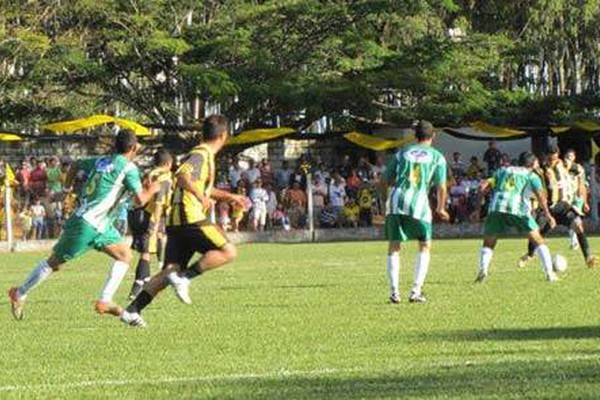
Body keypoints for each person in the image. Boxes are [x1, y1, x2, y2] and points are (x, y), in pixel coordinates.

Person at [8, 130, 160, 321]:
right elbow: (140, 200)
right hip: (87, 224)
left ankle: (105, 300)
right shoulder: (128, 168)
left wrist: (66, 188)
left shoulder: (102, 161)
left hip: (100, 225)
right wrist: (152, 189)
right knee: (54, 263)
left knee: (125, 255)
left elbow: (76, 164)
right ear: (133, 147)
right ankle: (20, 292)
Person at [121, 115, 246, 328]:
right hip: (190, 216)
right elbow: (183, 175)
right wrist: (200, 196)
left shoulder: (201, 155)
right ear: (224, 136)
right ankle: (186, 277)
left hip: (175, 221)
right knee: (228, 251)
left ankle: (132, 310)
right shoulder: (201, 154)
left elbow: (201, 186)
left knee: (169, 271)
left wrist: (230, 197)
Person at [384, 120, 449, 304]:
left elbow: (384, 179)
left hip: (396, 199)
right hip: (419, 201)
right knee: (424, 244)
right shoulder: (437, 156)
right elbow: (441, 187)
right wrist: (441, 208)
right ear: (433, 136)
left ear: (415, 136)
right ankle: (415, 291)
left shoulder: (402, 152)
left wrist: (384, 200)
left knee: (394, 245)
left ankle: (394, 292)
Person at [475, 152, 558, 283]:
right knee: (538, 241)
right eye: (536, 162)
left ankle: (483, 270)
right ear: (532, 163)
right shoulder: (531, 175)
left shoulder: (502, 170)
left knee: (489, 243)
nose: (537, 165)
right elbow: (541, 197)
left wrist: (477, 209)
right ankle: (550, 274)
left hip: (497, 207)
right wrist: (548, 214)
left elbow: (483, 186)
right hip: (517, 209)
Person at [518, 147, 597, 269]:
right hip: (547, 208)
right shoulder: (539, 170)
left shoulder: (564, 164)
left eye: (554, 159)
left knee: (578, 225)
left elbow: (580, 170)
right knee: (537, 233)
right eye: (549, 159)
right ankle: (529, 255)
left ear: (558, 156)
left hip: (562, 206)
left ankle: (588, 257)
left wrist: (580, 191)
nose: (551, 161)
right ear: (545, 157)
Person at [127, 149, 174, 300]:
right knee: (145, 253)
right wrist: (155, 225)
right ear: (168, 163)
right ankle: (137, 288)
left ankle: (144, 281)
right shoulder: (165, 178)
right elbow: (159, 204)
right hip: (148, 216)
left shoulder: (151, 173)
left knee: (145, 251)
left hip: (134, 213)